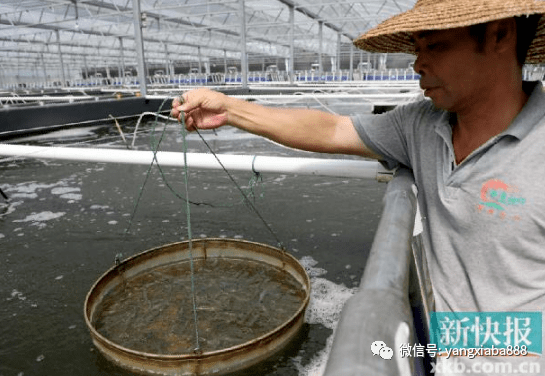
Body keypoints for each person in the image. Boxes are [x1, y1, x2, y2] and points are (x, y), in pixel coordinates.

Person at [172, 0, 545, 374]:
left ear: (499, 34)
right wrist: (230, 110)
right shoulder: (420, 126)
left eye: (435, 46)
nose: (418, 64)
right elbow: (332, 129)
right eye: (417, 49)